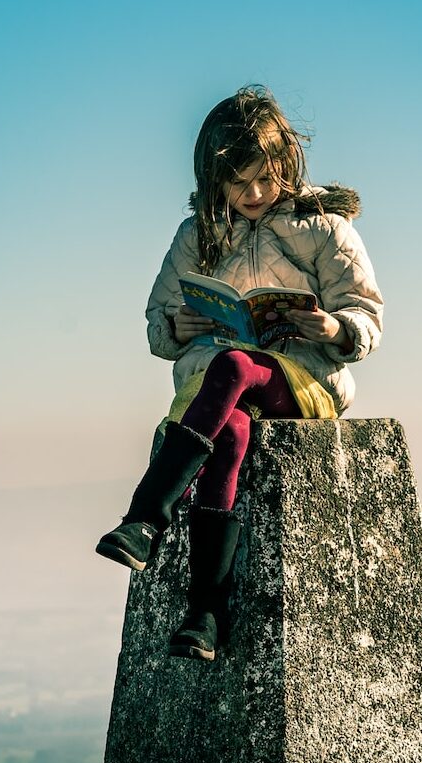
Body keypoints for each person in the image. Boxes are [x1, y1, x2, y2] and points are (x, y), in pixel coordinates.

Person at [94, 86, 383, 662]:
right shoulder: (196, 236)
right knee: (229, 433)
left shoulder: (324, 228)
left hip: (302, 381)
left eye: (264, 179)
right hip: (221, 391)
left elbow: (366, 316)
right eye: (237, 183)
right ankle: (205, 615)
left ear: (286, 166)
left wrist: (331, 327)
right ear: (213, 180)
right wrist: (179, 325)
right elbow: (157, 324)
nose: (252, 194)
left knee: (234, 364)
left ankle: (145, 518)